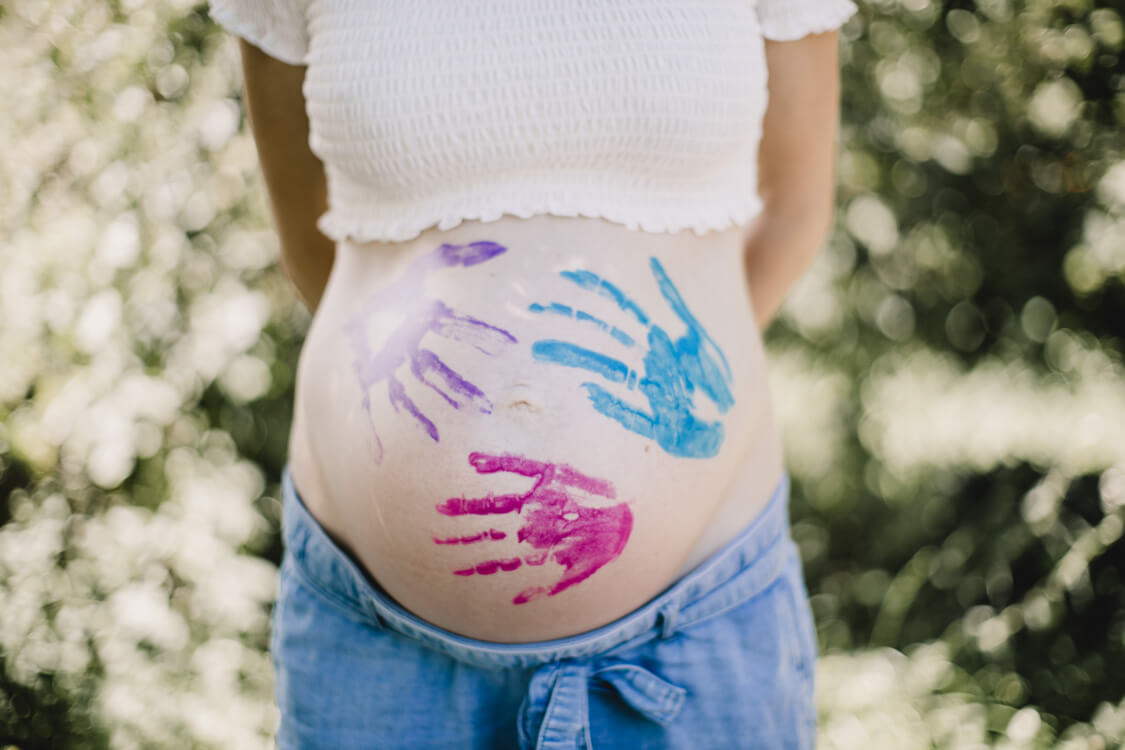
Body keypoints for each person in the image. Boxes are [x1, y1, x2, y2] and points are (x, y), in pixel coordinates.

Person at [208, 1, 858, 747]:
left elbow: (794, 211)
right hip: (374, 646)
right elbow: (308, 235)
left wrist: (663, 413)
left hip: (691, 622)